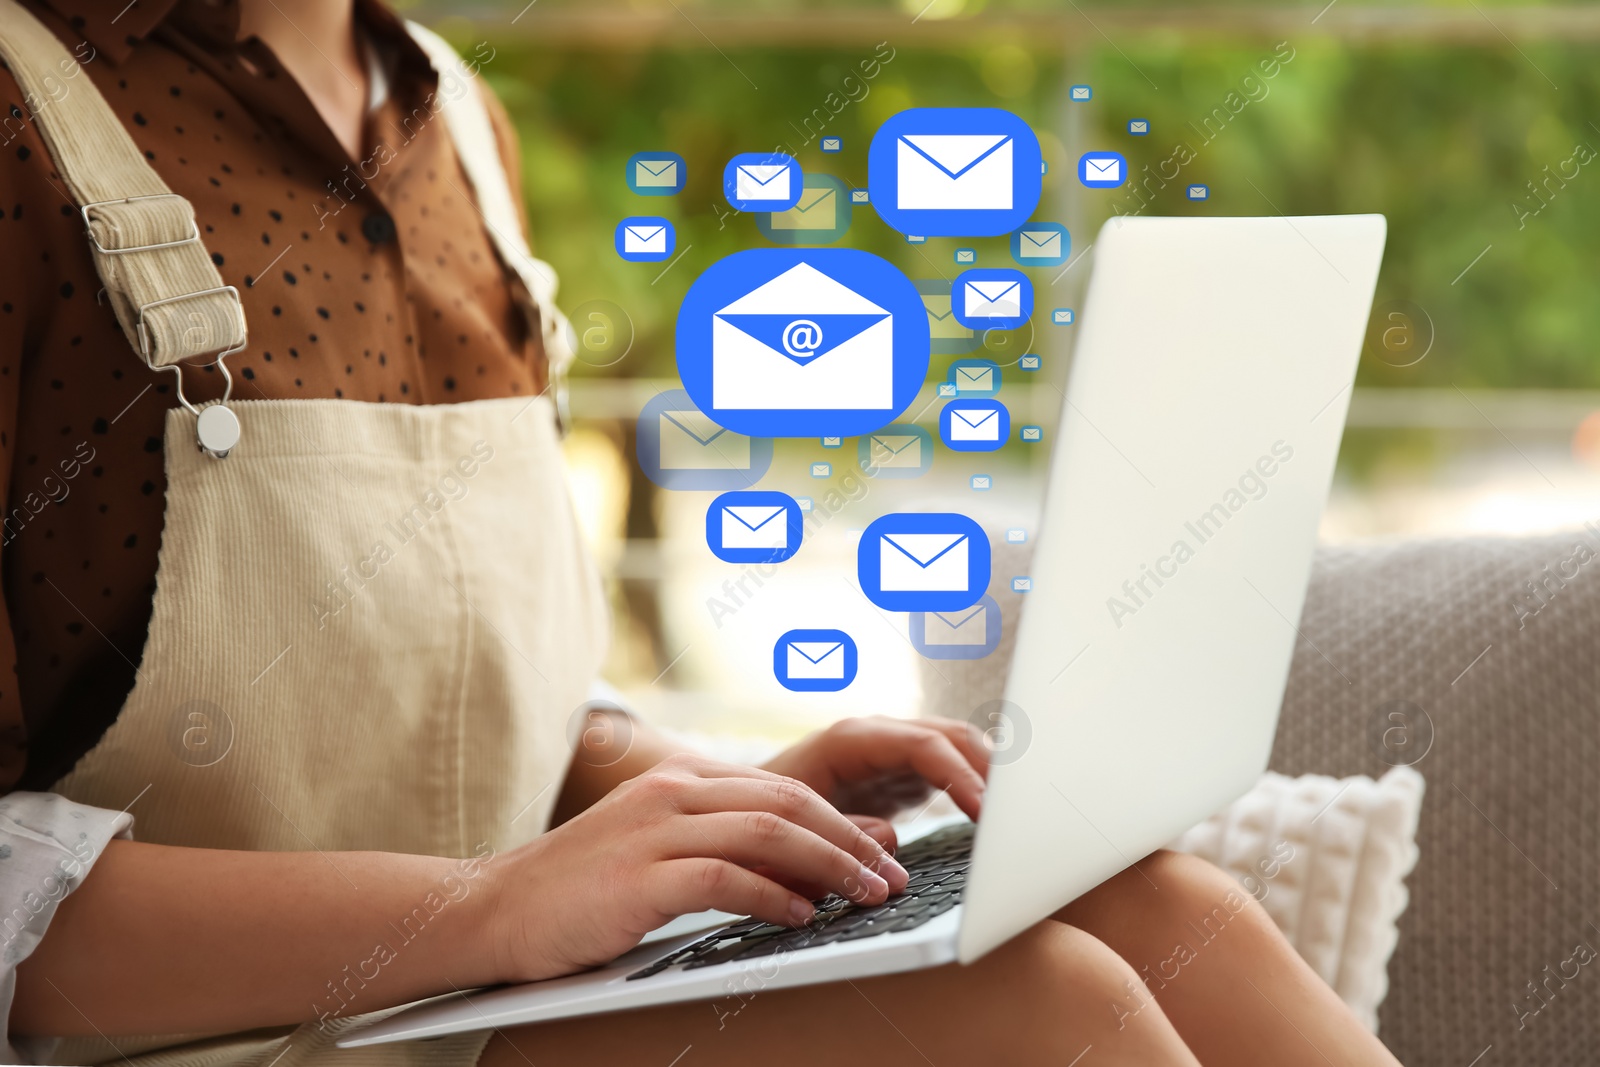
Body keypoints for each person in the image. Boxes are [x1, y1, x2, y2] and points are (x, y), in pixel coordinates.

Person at [0, 0, 1407, 1063]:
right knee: (1048, 1011)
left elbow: (426, 682)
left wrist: (685, 791)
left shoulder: (453, 124)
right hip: (228, 1037)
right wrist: (488, 904)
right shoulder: (23, 125)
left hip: (470, 991)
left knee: (1163, 906)